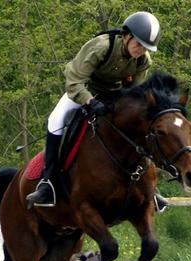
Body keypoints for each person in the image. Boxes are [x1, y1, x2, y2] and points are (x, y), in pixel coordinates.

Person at [26, 11, 169, 212]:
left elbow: (134, 93)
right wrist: (90, 102)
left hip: (114, 96)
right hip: (83, 90)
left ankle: (150, 188)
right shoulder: (102, 47)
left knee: (140, 126)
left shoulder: (143, 61)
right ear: (127, 36)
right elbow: (74, 81)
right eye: (138, 44)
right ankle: (48, 182)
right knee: (55, 119)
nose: (140, 50)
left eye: (146, 47)